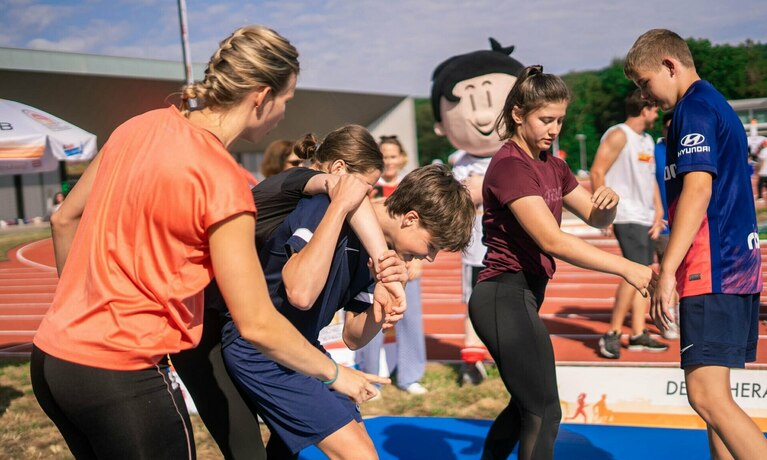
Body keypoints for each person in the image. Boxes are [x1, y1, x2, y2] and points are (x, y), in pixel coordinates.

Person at [30, 25, 385, 460]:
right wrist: (334, 375)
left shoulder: (138, 126)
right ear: (260, 95)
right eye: (286, 100)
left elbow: (64, 217)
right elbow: (256, 323)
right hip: (121, 374)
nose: (283, 116)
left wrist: (78, 313)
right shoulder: (223, 181)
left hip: (53, 359)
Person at [223, 163, 474, 458]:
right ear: (410, 219)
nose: (429, 258)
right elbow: (300, 294)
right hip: (261, 347)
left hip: (303, 349)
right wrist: (340, 209)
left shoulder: (388, 257)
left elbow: (353, 337)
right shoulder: (326, 207)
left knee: (360, 449)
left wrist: (382, 310)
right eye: (431, 245)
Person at [468, 65, 654, 460]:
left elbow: (596, 218)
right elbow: (551, 239)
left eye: (561, 120)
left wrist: (609, 203)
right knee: (544, 411)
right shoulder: (510, 166)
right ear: (518, 115)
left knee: (524, 407)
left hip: (524, 296)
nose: (554, 129)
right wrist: (627, 267)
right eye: (545, 119)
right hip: (502, 295)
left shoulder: (552, 164)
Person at [625, 28, 767, 459]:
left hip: (714, 266)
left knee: (706, 397)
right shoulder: (713, 104)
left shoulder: (695, 109)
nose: (647, 97)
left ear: (670, 65)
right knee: (714, 399)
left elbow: (699, 190)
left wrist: (667, 269)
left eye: (646, 83)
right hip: (733, 264)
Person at [430, 37, 525, 385]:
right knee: (477, 305)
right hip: (477, 252)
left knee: (517, 303)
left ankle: (512, 356)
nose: (484, 115)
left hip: (518, 249)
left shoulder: (519, 155)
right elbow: (450, 204)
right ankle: (472, 359)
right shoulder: (459, 163)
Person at [590, 89, 668, 359]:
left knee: (645, 274)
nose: (657, 114)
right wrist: (603, 211)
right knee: (634, 271)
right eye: (654, 109)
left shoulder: (646, 140)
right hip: (625, 214)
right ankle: (612, 332)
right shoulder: (619, 134)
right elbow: (597, 171)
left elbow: (650, 179)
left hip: (645, 216)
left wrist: (658, 210)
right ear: (644, 109)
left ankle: (637, 334)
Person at [355, 135, 430, 396]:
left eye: (393, 155)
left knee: (409, 319)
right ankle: (370, 376)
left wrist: (417, 262)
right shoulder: (369, 185)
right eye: (384, 155)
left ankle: (410, 376)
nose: (388, 160)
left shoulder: (411, 188)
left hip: (405, 263)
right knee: (372, 314)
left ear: (402, 158)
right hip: (371, 261)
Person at [653, 111, 680, 339]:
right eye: (667, 127)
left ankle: (679, 313)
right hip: (663, 224)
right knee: (667, 270)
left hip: (685, 223)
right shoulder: (655, 151)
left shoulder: (685, 148)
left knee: (685, 272)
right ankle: (669, 316)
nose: (671, 131)